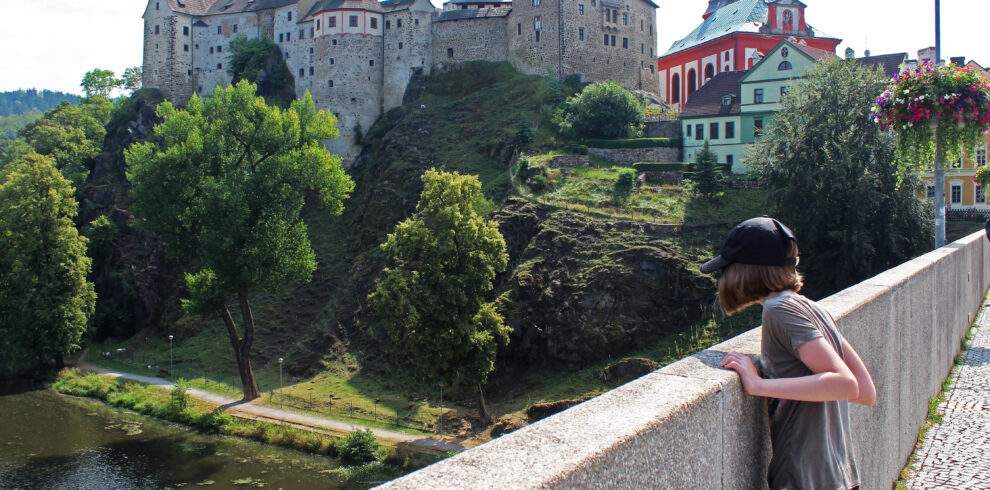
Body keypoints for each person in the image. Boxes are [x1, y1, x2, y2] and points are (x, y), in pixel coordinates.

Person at [701, 216, 876, 490]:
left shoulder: (778, 309)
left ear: (744, 270)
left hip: (803, 477)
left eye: (728, 269)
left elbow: (845, 384)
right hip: (840, 476)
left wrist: (759, 384)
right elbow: (867, 392)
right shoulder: (814, 308)